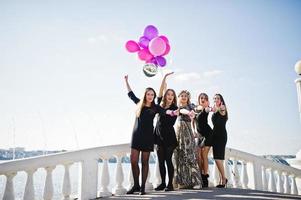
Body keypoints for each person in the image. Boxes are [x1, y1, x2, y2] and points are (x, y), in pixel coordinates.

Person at [124, 75, 177, 195]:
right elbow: (131, 94)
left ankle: (142, 188)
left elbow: (165, 112)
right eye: (148, 94)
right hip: (136, 136)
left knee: (145, 162)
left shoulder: (156, 107)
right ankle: (136, 185)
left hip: (148, 137)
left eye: (152, 95)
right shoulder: (139, 104)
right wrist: (126, 81)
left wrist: (174, 112)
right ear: (145, 95)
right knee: (133, 161)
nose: (150, 96)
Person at [154, 72, 178, 192]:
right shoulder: (160, 104)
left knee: (168, 160)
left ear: (174, 98)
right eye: (168, 94)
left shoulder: (175, 109)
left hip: (169, 137)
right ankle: (163, 183)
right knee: (160, 161)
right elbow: (160, 91)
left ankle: (170, 184)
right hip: (158, 136)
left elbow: (170, 121)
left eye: (172, 95)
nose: (170, 96)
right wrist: (164, 78)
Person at [174, 90, 202, 189]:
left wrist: (199, 107)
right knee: (180, 155)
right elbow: (182, 111)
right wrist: (189, 112)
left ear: (188, 98)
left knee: (190, 155)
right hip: (179, 132)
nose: (184, 97)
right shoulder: (178, 107)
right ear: (179, 97)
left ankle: (196, 182)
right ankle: (184, 182)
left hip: (188, 132)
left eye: (185, 96)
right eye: (182, 96)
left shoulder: (191, 106)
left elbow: (197, 108)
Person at [193, 93, 213, 187]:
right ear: (199, 99)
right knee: (198, 156)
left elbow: (209, 109)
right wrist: (195, 133)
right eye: (201, 98)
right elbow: (195, 123)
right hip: (200, 136)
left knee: (204, 155)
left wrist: (211, 108)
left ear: (207, 101)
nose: (203, 99)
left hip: (208, 135)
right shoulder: (196, 110)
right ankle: (200, 175)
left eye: (205, 98)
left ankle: (205, 177)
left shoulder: (206, 109)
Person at [211, 93, 228, 188]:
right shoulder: (214, 110)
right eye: (214, 99)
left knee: (218, 158)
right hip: (215, 136)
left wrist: (214, 108)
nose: (216, 100)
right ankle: (222, 179)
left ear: (221, 100)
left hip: (221, 136)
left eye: (217, 98)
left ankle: (224, 178)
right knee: (217, 158)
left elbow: (221, 110)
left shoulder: (222, 107)